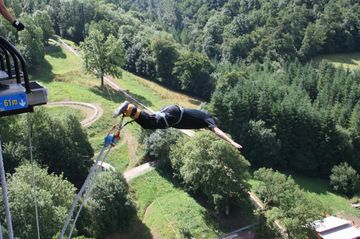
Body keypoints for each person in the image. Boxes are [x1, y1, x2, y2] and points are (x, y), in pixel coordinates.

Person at [113, 101, 243, 151]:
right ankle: (129, 108)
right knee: (151, 124)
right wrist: (232, 142)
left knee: (151, 121)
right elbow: (217, 131)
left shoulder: (204, 114)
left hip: (172, 111)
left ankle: (128, 111)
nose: (211, 129)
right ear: (214, 121)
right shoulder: (209, 120)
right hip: (174, 116)